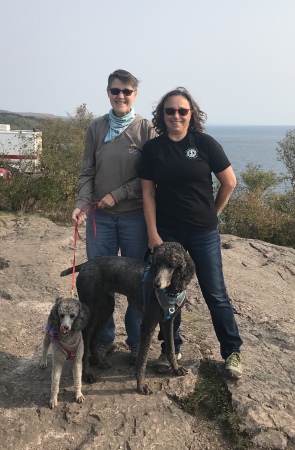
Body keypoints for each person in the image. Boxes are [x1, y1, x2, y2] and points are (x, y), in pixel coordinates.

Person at [138, 87, 243, 379]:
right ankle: (171, 348)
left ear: (191, 114)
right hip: (168, 234)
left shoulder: (205, 144)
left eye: (182, 110)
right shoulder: (153, 149)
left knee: (216, 294)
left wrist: (212, 214)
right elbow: (148, 195)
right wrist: (152, 233)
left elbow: (229, 183)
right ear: (162, 115)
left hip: (203, 234)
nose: (176, 115)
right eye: (170, 111)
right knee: (166, 293)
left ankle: (232, 352)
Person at [72, 69, 157, 363]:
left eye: (127, 91)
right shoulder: (96, 127)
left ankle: (136, 341)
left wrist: (117, 194)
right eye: (115, 90)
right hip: (100, 220)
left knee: (138, 285)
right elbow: (87, 172)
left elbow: (149, 178)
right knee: (98, 284)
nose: (120, 96)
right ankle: (102, 340)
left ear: (135, 95)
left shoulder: (146, 129)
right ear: (107, 92)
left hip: (135, 218)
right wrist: (81, 203)